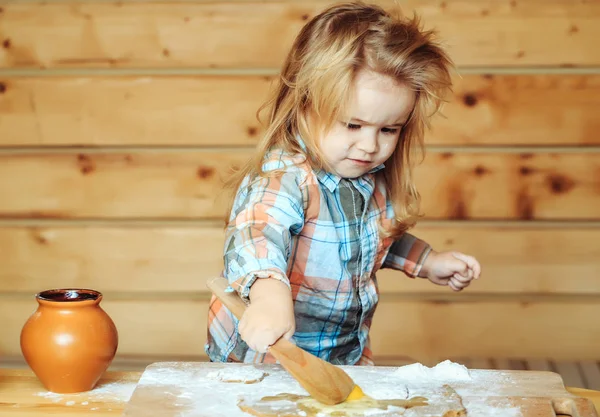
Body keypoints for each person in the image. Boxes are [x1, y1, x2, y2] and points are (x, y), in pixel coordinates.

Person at [206, 1, 481, 366]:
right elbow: (257, 236)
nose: (370, 145)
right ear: (305, 105)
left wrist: (427, 262)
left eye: (388, 129)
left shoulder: (366, 175)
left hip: (339, 352)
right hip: (267, 356)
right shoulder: (284, 177)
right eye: (353, 125)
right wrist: (269, 297)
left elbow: (371, 239)